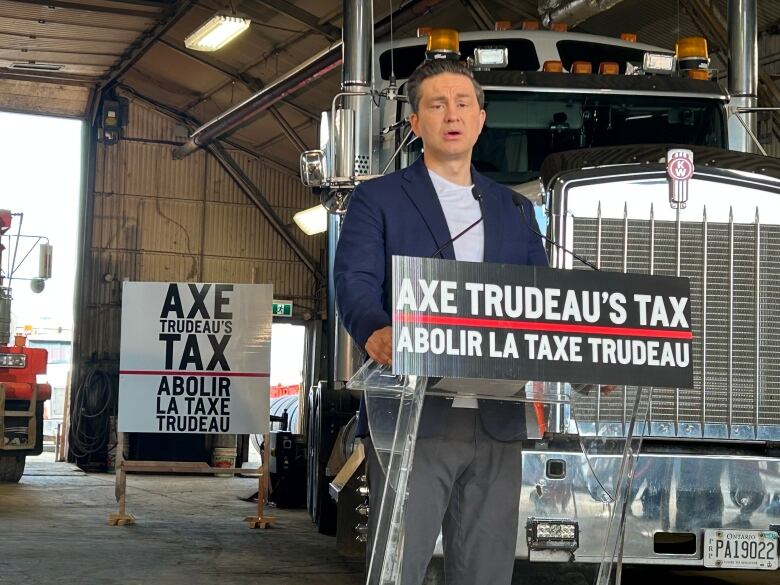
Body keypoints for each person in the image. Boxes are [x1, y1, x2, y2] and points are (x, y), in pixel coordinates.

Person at [334, 58, 548, 585]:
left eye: (462, 103)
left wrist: (591, 359)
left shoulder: (515, 211)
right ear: (415, 125)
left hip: (498, 417)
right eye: (436, 104)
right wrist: (374, 329)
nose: (451, 114)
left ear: (481, 119)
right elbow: (355, 279)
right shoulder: (377, 199)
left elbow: (546, 301)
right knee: (397, 567)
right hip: (414, 412)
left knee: (485, 571)